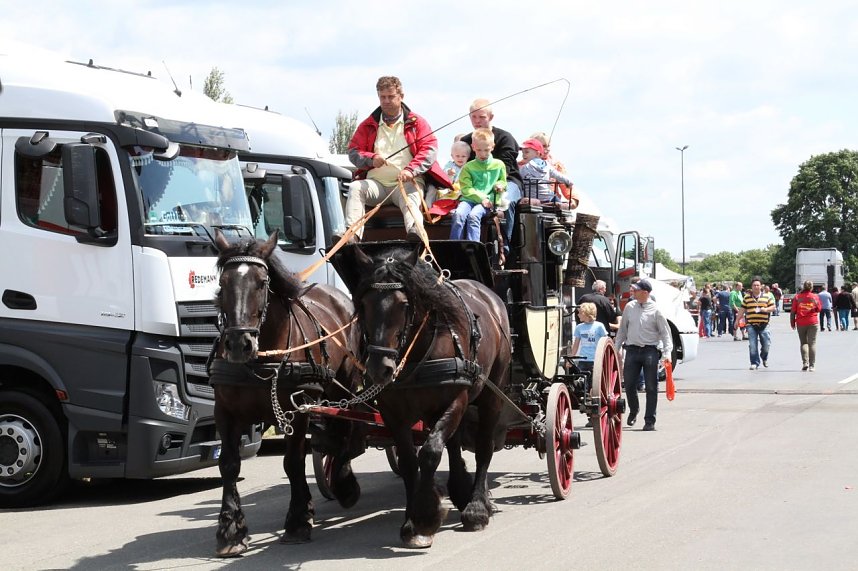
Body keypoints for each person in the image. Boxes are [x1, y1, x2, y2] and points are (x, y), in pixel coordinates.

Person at [344, 76, 450, 241]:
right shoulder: (367, 124)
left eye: (391, 96)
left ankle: (416, 232)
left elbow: (429, 150)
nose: (386, 101)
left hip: (406, 183)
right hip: (376, 185)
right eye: (382, 97)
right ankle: (352, 236)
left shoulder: (417, 123)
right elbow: (353, 151)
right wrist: (371, 159)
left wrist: (410, 170)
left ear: (401, 96)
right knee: (356, 187)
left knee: (411, 196)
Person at [460, 99, 522, 255]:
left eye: (481, 117)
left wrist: (493, 192)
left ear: (491, 117)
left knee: (505, 201)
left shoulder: (505, 138)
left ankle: (505, 245)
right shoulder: (466, 141)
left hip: (506, 180)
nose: (477, 121)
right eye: (473, 117)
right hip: (477, 185)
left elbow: (505, 170)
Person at [614, 279, 673, 432]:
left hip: (650, 351)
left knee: (651, 387)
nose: (633, 292)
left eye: (636, 290)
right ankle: (634, 409)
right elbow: (622, 330)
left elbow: (665, 334)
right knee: (629, 383)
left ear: (645, 293)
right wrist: (616, 348)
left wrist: (667, 353)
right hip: (632, 350)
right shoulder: (629, 307)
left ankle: (650, 420)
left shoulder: (656, 310)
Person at [449, 128, 507, 241]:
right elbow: (466, 189)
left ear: (492, 147)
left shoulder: (499, 165)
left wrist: (500, 186)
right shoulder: (468, 167)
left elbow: (503, 182)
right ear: (473, 147)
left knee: (474, 216)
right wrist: (482, 198)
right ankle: (455, 247)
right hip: (469, 200)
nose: (483, 153)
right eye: (479, 150)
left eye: (486, 150)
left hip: (489, 202)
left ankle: (473, 250)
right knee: (458, 215)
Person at [518, 138, 579, 206]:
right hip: (548, 197)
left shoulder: (524, 168)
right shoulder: (548, 166)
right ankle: (560, 206)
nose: (523, 155)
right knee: (555, 199)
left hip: (531, 198)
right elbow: (559, 176)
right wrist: (569, 182)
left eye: (526, 152)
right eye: (523, 152)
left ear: (537, 153)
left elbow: (518, 180)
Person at [735, 277, 775, 370]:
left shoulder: (767, 296)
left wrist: (766, 309)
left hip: (764, 324)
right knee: (752, 345)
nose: (756, 287)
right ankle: (754, 362)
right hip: (751, 324)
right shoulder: (747, 298)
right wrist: (737, 320)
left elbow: (773, 307)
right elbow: (742, 310)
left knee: (766, 344)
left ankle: (764, 357)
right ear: (751, 287)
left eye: (758, 285)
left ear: (761, 286)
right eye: (754, 285)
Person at [790, 279, 821, 372]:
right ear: (811, 287)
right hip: (813, 322)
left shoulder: (797, 297)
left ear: (803, 286)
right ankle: (812, 366)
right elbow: (819, 309)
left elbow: (792, 312)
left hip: (801, 322)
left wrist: (792, 323)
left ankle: (805, 363)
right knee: (812, 343)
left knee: (804, 343)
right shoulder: (815, 297)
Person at [570, 302, 608, 373]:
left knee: (593, 381)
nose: (578, 315)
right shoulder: (579, 327)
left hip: (596, 360)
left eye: (580, 313)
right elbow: (576, 344)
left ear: (586, 314)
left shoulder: (599, 326)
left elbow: (606, 343)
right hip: (583, 360)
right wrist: (571, 358)